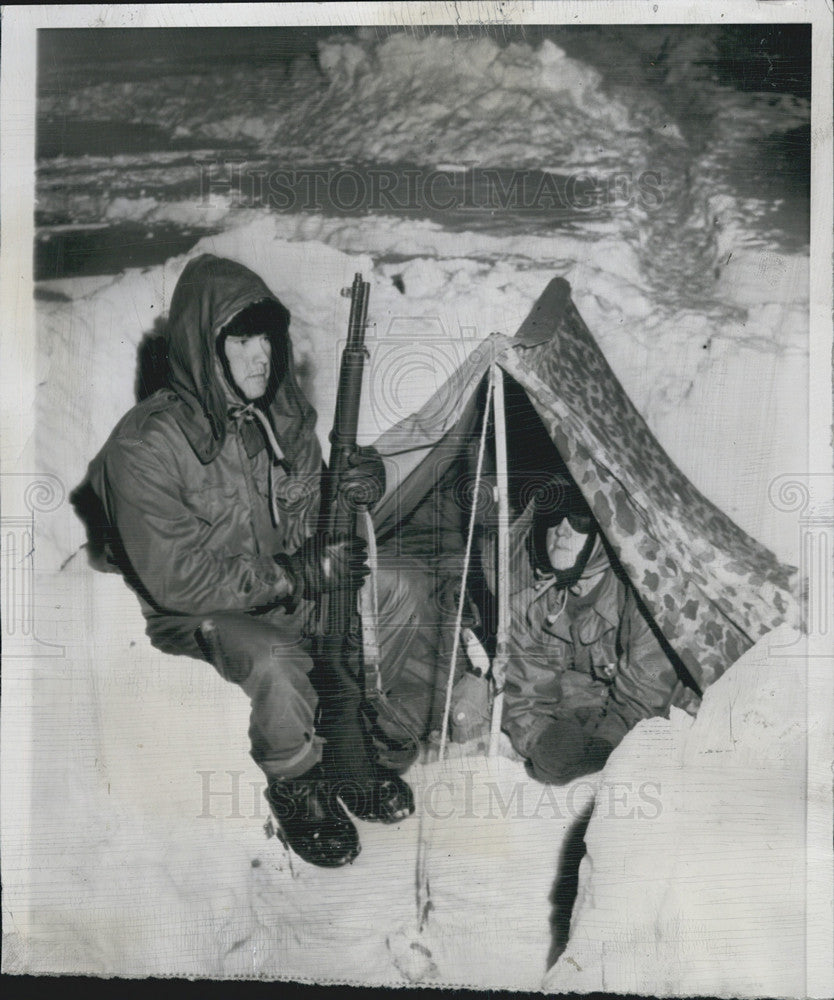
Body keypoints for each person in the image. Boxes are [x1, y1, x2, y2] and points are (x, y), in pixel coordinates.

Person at [84, 254, 436, 868]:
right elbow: (177, 580)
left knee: (402, 587)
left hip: (285, 586)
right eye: (240, 339)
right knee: (274, 658)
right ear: (203, 347)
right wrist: (295, 575)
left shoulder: (280, 416)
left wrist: (355, 485)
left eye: (266, 337)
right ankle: (299, 786)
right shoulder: (144, 446)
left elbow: (309, 512)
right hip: (200, 613)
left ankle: (354, 747)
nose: (261, 355)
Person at [501, 473, 691, 784]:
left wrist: (602, 751)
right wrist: (541, 739)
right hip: (576, 704)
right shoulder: (531, 599)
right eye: (554, 517)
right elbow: (523, 695)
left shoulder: (645, 599)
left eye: (579, 520)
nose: (562, 531)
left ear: (604, 533)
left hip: (634, 715)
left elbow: (644, 698)